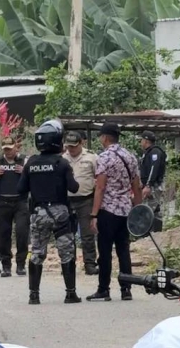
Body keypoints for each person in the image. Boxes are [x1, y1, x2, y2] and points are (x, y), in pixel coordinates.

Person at [17, 120, 81, 305]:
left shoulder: (31, 163)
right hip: (60, 213)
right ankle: (70, 294)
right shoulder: (62, 163)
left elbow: (21, 188)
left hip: (38, 213)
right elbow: (74, 188)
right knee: (66, 253)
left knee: (37, 253)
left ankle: (34, 295)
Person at [87, 122, 142, 302]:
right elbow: (137, 186)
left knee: (104, 251)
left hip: (108, 210)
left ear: (105, 137)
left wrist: (94, 214)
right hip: (125, 210)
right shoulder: (131, 157)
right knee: (123, 250)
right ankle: (126, 289)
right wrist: (138, 210)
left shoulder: (104, 158)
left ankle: (104, 289)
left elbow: (100, 188)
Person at [62, 131, 99, 275]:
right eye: (69, 146)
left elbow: (99, 178)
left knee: (87, 234)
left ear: (81, 143)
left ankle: (90, 264)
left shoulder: (91, 157)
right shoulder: (62, 159)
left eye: (74, 146)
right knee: (67, 234)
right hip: (67, 200)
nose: (71, 149)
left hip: (86, 200)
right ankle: (68, 264)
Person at [0, 136, 29, 277]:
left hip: (20, 202)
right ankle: (6, 265)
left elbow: (33, 178)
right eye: (5, 149)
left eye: (10, 149)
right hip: (3, 202)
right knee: (3, 235)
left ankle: (21, 264)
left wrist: (25, 173)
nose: (8, 152)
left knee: (22, 233)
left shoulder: (24, 160)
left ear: (16, 147)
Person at [139, 130, 166, 232]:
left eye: (141, 140)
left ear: (146, 141)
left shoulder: (155, 152)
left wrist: (148, 185)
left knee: (149, 209)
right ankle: (156, 233)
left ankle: (149, 234)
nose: (141, 142)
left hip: (153, 185)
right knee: (155, 209)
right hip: (149, 185)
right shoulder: (148, 152)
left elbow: (153, 169)